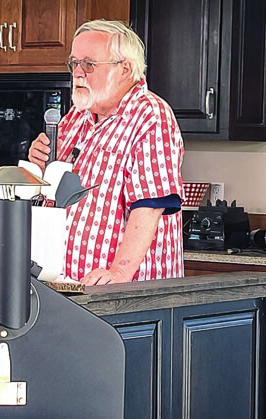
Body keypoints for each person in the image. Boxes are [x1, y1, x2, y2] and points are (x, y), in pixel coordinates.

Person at [28, 20, 185, 285]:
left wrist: (119, 273)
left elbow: (151, 203)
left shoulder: (151, 115)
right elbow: (55, 189)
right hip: (67, 284)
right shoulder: (77, 115)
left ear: (125, 68)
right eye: (74, 63)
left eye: (89, 64)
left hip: (123, 291)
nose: (78, 73)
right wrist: (39, 161)